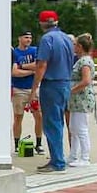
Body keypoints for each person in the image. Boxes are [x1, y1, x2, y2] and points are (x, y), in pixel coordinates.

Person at [31, 10, 75, 173]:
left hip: (51, 84)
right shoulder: (67, 39)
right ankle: (58, 158)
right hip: (65, 83)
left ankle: (57, 161)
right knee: (59, 122)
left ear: (42, 23)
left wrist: (34, 88)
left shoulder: (47, 39)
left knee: (51, 124)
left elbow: (42, 65)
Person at [68, 33, 97, 166]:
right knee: (73, 127)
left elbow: (86, 80)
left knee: (81, 128)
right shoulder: (81, 60)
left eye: (75, 45)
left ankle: (85, 157)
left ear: (80, 46)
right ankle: (73, 155)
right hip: (76, 100)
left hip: (82, 99)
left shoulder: (85, 61)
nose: (73, 47)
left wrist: (71, 90)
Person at [11, 29, 41, 154]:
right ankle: (17, 144)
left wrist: (22, 67)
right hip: (19, 89)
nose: (28, 40)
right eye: (25, 37)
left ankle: (39, 144)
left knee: (39, 116)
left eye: (30, 38)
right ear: (19, 38)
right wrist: (31, 71)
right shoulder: (15, 53)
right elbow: (14, 72)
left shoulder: (35, 51)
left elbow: (38, 65)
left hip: (33, 88)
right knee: (18, 117)